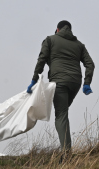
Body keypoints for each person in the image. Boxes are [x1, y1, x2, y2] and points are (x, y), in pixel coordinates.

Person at [29, 20, 95, 151]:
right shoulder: (79, 45)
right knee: (63, 111)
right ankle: (66, 147)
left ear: (57, 29)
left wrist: (34, 79)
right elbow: (90, 64)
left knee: (61, 114)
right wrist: (87, 83)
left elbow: (41, 59)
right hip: (75, 83)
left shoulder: (50, 40)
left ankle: (66, 152)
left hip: (59, 82)